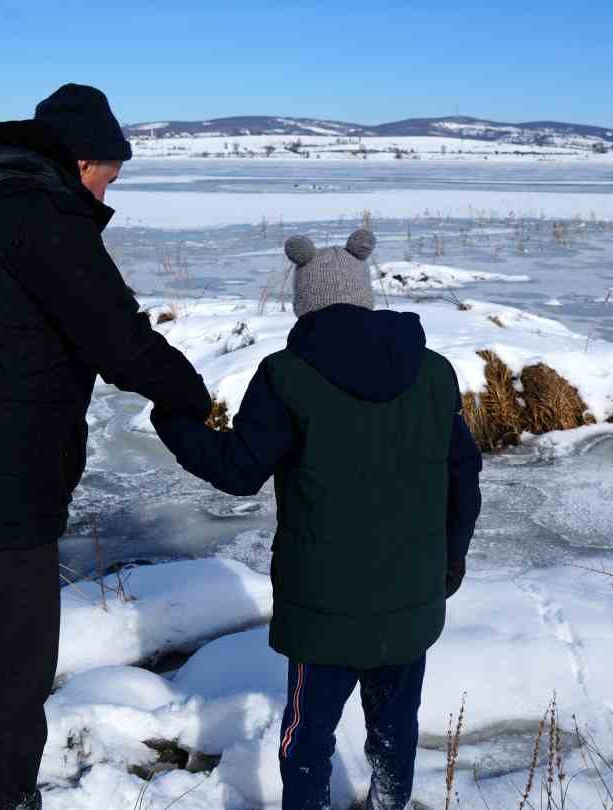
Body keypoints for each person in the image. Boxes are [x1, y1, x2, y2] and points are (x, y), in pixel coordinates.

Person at [0, 83, 211, 810]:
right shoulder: (49, 222)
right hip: (9, 483)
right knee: (15, 663)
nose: (107, 192)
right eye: (107, 176)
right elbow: (120, 340)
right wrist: (190, 395)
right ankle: (1, 799)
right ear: (80, 160)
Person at [152, 229, 484, 810]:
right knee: (394, 732)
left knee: (307, 740)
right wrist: (450, 561)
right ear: (365, 293)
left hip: (323, 607)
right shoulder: (433, 373)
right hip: (412, 597)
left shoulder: (285, 375)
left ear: (303, 303)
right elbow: (465, 478)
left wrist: (174, 422)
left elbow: (238, 471)